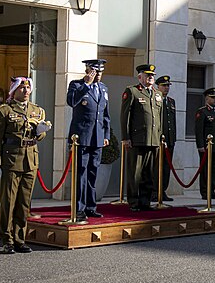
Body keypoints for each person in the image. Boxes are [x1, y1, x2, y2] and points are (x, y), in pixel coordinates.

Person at [0, 77, 51, 254]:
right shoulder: (3, 111)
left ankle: (19, 239)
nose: (26, 91)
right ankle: (6, 240)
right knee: (8, 202)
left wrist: (40, 133)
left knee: (24, 203)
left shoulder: (37, 111)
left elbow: (38, 135)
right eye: (22, 88)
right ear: (14, 90)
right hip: (11, 160)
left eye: (28, 89)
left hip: (30, 160)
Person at [66, 59, 110, 221]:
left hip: (97, 137)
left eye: (100, 72)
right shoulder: (76, 85)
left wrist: (106, 135)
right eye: (95, 72)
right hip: (81, 138)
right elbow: (71, 102)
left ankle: (91, 207)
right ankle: (79, 208)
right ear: (87, 71)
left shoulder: (103, 88)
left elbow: (105, 114)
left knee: (92, 173)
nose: (98, 75)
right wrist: (86, 84)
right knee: (81, 174)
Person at [120, 64, 163, 212]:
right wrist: (126, 137)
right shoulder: (132, 91)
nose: (151, 77)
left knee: (149, 173)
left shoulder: (158, 94)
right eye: (147, 75)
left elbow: (160, 118)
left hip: (153, 140)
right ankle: (134, 202)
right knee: (135, 172)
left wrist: (160, 137)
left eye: (152, 75)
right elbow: (125, 116)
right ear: (140, 77)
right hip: (137, 139)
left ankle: (145, 202)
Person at [195, 87, 215, 200]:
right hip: (206, 147)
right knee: (205, 169)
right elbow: (199, 130)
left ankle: (212, 190)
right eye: (212, 97)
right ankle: (204, 192)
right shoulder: (202, 111)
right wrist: (200, 145)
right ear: (207, 98)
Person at [155, 75, 175, 202]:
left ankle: (163, 190)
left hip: (169, 139)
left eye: (168, 86)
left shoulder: (171, 101)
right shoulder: (155, 99)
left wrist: (173, 138)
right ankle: (154, 191)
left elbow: (172, 121)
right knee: (156, 166)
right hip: (158, 139)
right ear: (158, 86)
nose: (166, 88)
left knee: (167, 167)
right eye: (164, 85)